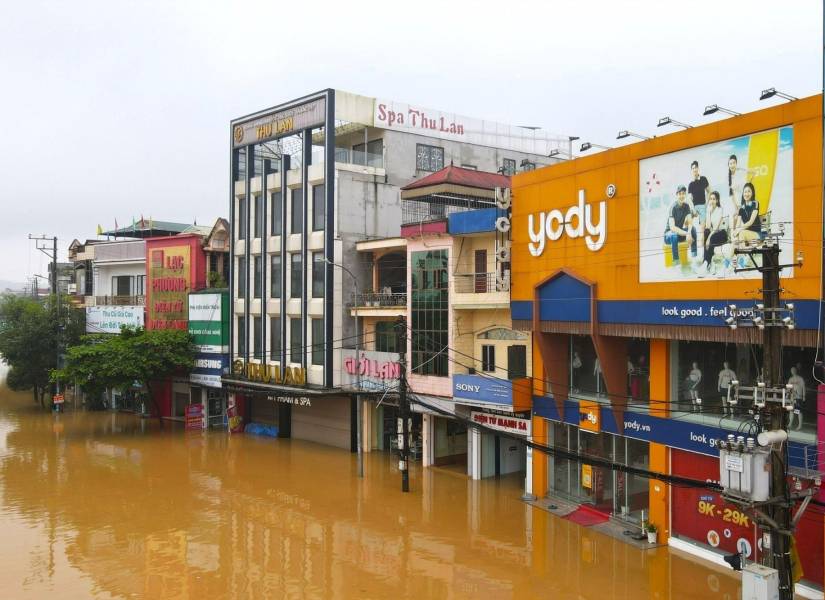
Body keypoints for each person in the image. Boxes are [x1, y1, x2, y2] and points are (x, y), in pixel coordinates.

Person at [663, 185, 696, 268]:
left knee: (693, 229)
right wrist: (686, 234)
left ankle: (694, 255)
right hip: (669, 235)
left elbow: (690, 222)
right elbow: (672, 228)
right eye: (680, 194)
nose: (682, 196)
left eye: (683, 193)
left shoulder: (686, 206)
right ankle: (676, 262)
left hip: (679, 233)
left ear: (685, 195)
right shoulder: (673, 207)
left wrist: (688, 232)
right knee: (674, 235)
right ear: (677, 195)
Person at [698, 191, 729, 276]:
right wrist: (708, 212)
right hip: (713, 234)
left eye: (714, 199)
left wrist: (707, 239)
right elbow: (708, 226)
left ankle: (706, 263)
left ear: (717, 200)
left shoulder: (720, 209)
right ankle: (709, 263)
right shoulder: (709, 209)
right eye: (711, 199)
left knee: (710, 237)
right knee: (706, 231)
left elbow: (715, 228)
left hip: (721, 234)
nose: (712, 201)